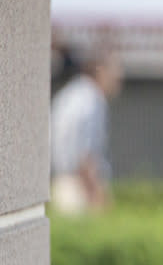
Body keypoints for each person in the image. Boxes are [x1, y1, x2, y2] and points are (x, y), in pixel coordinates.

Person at [49, 48, 123, 213]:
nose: (119, 80)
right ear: (101, 71)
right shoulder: (91, 101)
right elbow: (85, 155)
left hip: (64, 183)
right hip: (79, 188)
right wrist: (97, 194)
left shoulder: (74, 93)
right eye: (115, 73)